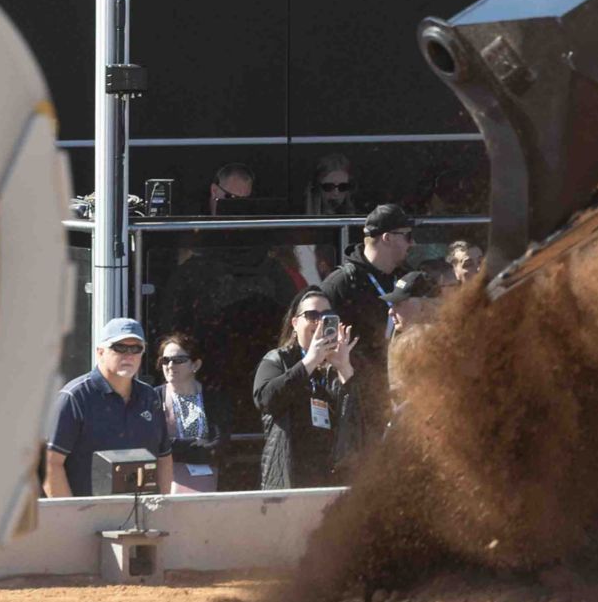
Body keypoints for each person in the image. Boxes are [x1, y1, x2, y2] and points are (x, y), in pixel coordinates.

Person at [317, 203, 413, 450]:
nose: (412, 244)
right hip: (358, 400)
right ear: (387, 238)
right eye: (408, 236)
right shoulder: (341, 283)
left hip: (403, 393)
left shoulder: (408, 279)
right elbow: (314, 344)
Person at [45, 317, 173, 497]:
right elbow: (50, 463)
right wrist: (70, 517)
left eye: (136, 348)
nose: (129, 355)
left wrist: (162, 507)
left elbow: (164, 457)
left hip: (142, 518)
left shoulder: (150, 397)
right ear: (100, 352)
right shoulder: (75, 398)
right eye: (119, 347)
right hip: (89, 519)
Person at [253, 290, 358, 489]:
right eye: (312, 316)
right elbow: (266, 400)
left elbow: (358, 418)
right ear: (295, 323)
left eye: (326, 316)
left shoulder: (336, 364)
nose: (319, 322)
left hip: (330, 477)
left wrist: (344, 368)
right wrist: (309, 362)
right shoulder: (278, 359)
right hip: (289, 477)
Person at [155, 332, 231, 493]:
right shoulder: (152, 398)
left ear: (195, 365)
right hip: (166, 486)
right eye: (165, 360)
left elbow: (219, 446)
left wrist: (173, 449)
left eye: (178, 360)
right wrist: (196, 443)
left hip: (210, 487)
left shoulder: (213, 399)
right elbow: (153, 444)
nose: (170, 366)